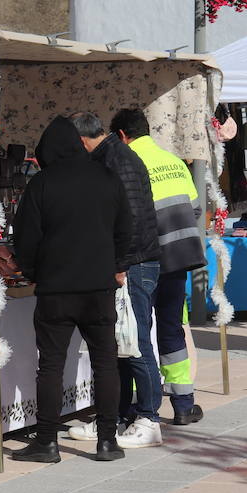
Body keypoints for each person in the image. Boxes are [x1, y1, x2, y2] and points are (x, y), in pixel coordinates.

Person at [10, 116, 133, 464]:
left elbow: (26, 239)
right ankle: (108, 440)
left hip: (56, 290)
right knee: (105, 363)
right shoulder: (107, 179)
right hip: (99, 287)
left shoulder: (42, 184)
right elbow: (126, 230)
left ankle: (47, 442)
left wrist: (34, 273)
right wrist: (116, 266)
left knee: (50, 365)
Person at [67, 111, 165, 449]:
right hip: (128, 263)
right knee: (118, 344)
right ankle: (116, 416)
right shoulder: (111, 156)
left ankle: (149, 418)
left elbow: (130, 217)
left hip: (134, 265)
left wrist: (120, 264)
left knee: (135, 342)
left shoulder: (117, 159)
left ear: (81, 140)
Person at [109, 108, 207, 426]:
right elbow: (194, 208)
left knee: (138, 329)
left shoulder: (127, 163)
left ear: (122, 136)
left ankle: (141, 403)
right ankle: (183, 403)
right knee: (171, 327)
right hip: (179, 258)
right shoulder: (173, 161)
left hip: (144, 260)